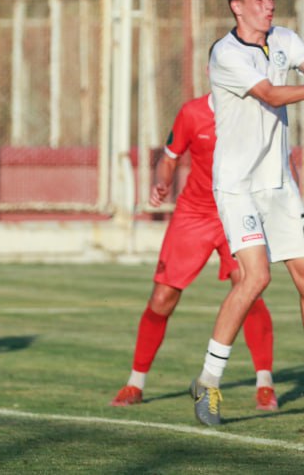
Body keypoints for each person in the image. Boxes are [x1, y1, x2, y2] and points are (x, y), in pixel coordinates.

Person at [189, 0, 304, 427]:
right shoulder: (226, 53)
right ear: (236, 7)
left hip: (279, 184)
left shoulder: (284, 38)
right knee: (255, 278)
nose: (269, 6)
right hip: (238, 185)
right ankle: (208, 381)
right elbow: (271, 94)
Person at [110, 94, 278, 412]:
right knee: (162, 298)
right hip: (195, 214)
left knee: (249, 288)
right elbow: (169, 158)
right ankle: (135, 383)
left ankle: (265, 384)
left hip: (237, 211)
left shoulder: (255, 110)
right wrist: (162, 183)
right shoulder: (192, 112)